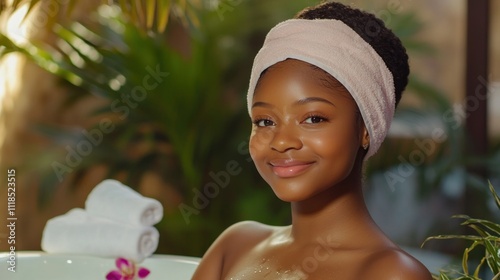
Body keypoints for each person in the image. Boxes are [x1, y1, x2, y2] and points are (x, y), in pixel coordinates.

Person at [192, 1, 432, 279]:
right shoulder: (234, 247)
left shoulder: (390, 274)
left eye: (313, 118)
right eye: (265, 121)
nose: (281, 142)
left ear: (365, 128)